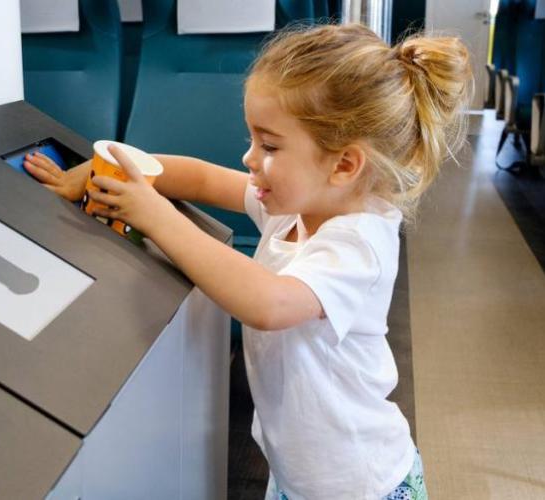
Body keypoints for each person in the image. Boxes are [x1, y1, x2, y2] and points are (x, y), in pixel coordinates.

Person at [24, 23, 472, 500]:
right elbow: (199, 177)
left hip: (360, 485)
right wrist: (109, 172)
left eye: (270, 146)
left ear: (343, 164)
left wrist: (154, 216)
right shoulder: (294, 208)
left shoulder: (358, 244)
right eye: (253, 139)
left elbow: (268, 304)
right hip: (299, 476)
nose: (249, 158)